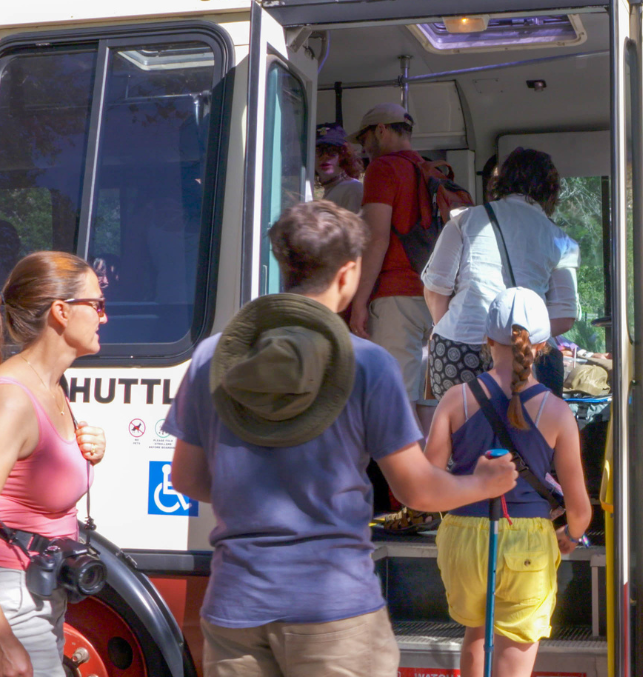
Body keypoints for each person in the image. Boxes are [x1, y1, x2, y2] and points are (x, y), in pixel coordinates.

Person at [165, 200, 517, 677]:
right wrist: (484, 483)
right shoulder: (368, 364)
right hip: (333, 609)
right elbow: (418, 490)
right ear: (348, 273)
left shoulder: (212, 357)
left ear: (285, 267)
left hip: (236, 605)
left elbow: (186, 477)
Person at [424, 287, 591, 677]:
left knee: (476, 632)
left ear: (486, 340)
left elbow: (428, 486)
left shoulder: (455, 399)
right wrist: (569, 534)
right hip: (527, 541)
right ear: (543, 346)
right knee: (516, 647)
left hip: (463, 537)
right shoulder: (557, 412)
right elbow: (580, 510)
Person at [0, 252, 107, 677]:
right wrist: (4, 643)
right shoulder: (11, 399)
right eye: (96, 305)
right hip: (14, 604)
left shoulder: (53, 388)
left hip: (44, 597)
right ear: (61, 312)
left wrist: (87, 453)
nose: (104, 317)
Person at [422, 148, 579, 399]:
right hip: (525, 356)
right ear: (550, 191)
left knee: (459, 431)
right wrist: (521, 341)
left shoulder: (465, 220)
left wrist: (457, 330)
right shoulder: (561, 240)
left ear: (501, 182)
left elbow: (435, 289)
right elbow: (565, 316)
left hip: (458, 353)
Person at [349, 103, 433, 401]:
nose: (363, 148)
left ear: (381, 131)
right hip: (434, 299)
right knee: (426, 401)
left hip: (395, 299)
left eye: (363, 139)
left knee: (393, 401)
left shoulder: (383, 169)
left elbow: (377, 239)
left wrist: (359, 302)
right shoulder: (429, 170)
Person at [315, 123, 364, 213]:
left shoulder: (352, 189)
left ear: (345, 155)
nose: (325, 156)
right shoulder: (333, 190)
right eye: (319, 151)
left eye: (332, 150)